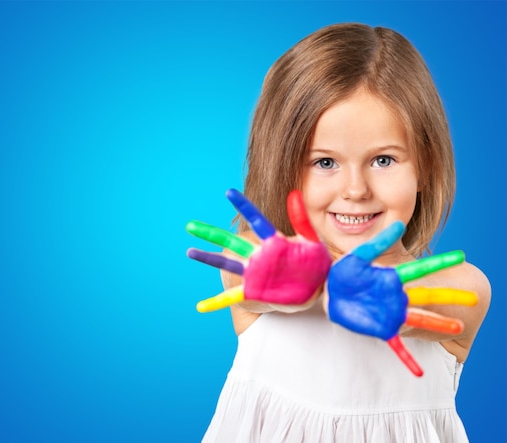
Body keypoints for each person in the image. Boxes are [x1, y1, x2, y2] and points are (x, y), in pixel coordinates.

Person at [197, 23, 491, 442]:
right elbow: (245, 271)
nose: (356, 190)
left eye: (384, 160)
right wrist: (302, 282)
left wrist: (385, 297)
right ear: (284, 165)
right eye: (325, 162)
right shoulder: (261, 258)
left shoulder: (454, 289)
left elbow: (458, 298)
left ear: (425, 165)